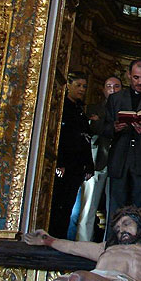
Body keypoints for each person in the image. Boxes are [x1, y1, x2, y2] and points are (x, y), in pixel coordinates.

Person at [103, 60, 141, 218]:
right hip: (120, 159)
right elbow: (104, 128)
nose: (140, 82)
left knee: (140, 208)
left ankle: (138, 242)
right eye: (136, 78)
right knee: (116, 209)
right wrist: (114, 128)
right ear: (129, 75)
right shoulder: (115, 98)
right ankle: (114, 242)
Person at [75, 76, 123, 241]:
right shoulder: (92, 108)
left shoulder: (124, 110)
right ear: (103, 89)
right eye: (109, 86)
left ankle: (110, 243)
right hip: (96, 161)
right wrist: (108, 126)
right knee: (88, 205)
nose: (112, 89)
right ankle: (83, 242)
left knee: (114, 207)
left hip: (118, 162)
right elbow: (91, 128)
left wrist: (100, 124)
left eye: (116, 86)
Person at [49, 72, 94, 239]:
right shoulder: (62, 108)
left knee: (68, 206)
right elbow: (57, 136)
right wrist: (59, 162)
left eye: (84, 86)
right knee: (58, 205)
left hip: (76, 167)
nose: (82, 89)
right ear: (68, 85)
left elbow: (85, 140)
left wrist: (89, 165)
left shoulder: (80, 110)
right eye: (78, 85)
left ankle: (59, 239)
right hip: (64, 165)